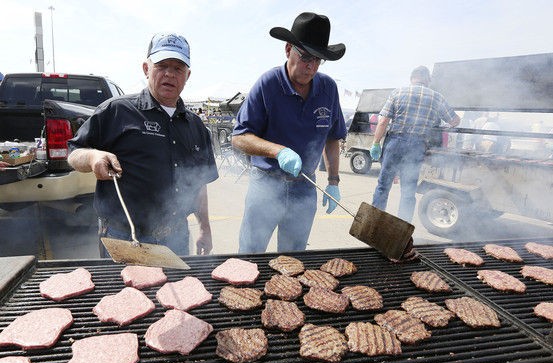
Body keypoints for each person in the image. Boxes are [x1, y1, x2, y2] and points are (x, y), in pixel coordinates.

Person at [67, 32, 218, 257]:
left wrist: (205, 228)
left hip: (176, 237)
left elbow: (198, 183)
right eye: (162, 65)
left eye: (178, 68)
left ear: (187, 75)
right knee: (126, 292)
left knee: (176, 290)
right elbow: (73, 154)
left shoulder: (196, 126)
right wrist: (92, 157)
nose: (169, 73)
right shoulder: (117, 111)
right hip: (124, 237)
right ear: (146, 68)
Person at [232, 12, 347, 254]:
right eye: (305, 57)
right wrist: (279, 151)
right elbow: (240, 137)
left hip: (304, 187)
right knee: (250, 254)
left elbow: (332, 137)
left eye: (318, 60)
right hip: (266, 183)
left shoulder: (328, 88)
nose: (311, 67)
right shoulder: (268, 84)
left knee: (294, 258)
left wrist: (333, 181)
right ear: (288, 49)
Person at [370, 66, 460, 223]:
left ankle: (374, 225)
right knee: (408, 191)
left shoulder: (398, 92)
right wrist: (436, 129)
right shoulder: (436, 97)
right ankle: (401, 229)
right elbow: (455, 120)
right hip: (417, 145)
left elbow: (383, 121)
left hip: (395, 143)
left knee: (383, 186)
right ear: (427, 80)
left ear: (412, 78)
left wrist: (376, 143)